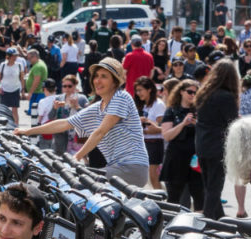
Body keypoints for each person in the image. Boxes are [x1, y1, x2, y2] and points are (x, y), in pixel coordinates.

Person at [13, 58, 150, 186]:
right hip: (115, 166)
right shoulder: (98, 106)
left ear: (115, 81)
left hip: (132, 167)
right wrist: (27, 131)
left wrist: (77, 157)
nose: (97, 80)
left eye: (104, 76)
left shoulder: (121, 97)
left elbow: (100, 132)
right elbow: (65, 123)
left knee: (81, 183)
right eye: (96, 76)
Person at [195, 59, 241, 219]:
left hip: (202, 143)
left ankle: (219, 219)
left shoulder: (203, 93)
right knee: (215, 188)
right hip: (218, 145)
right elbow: (232, 123)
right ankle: (206, 222)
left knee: (209, 186)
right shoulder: (227, 97)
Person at [160, 79, 201, 210]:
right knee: (174, 198)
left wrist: (197, 124)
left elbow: (208, 134)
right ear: (181, 92)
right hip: (176, 158)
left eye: (196, 92)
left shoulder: (200, 110)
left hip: (195, 160)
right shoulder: (172, 111)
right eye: (190, 92)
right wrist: (182, 124)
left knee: (200, 196)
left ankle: (200, 226)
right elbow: (166, 135)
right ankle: (173, 226)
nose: (192, 95)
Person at [134, 77, 166, 189]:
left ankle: (163, 201)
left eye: (140, 90)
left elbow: (162, 127)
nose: (138, 93)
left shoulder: (158, 104)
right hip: (145, 143)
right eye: (136, 91)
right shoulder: (144, 105)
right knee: (148, 177)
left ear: (149, 89)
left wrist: (148, 122)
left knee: (153, 176)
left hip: (155, 143)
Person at [0, 47, 24, 123]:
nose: (15, 57)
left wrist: (22, 90)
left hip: (15, 89)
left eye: (16, 55)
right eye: (13, 56)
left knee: (15, 110)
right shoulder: (3, 65)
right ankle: (4, 126)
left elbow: (22, 78)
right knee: (4, 110)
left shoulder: (19, 65)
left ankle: (16, 126)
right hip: (4, 89)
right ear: (8, 56)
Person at [24, 49, 47, 116]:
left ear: (35, 57)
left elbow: (36, 80)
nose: (28, 60)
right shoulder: (39, 63)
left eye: (29, 58)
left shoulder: (38, 66)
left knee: (35, 113)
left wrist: (30, 93)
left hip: (37, 93)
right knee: (34, 112)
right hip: (37, 92)